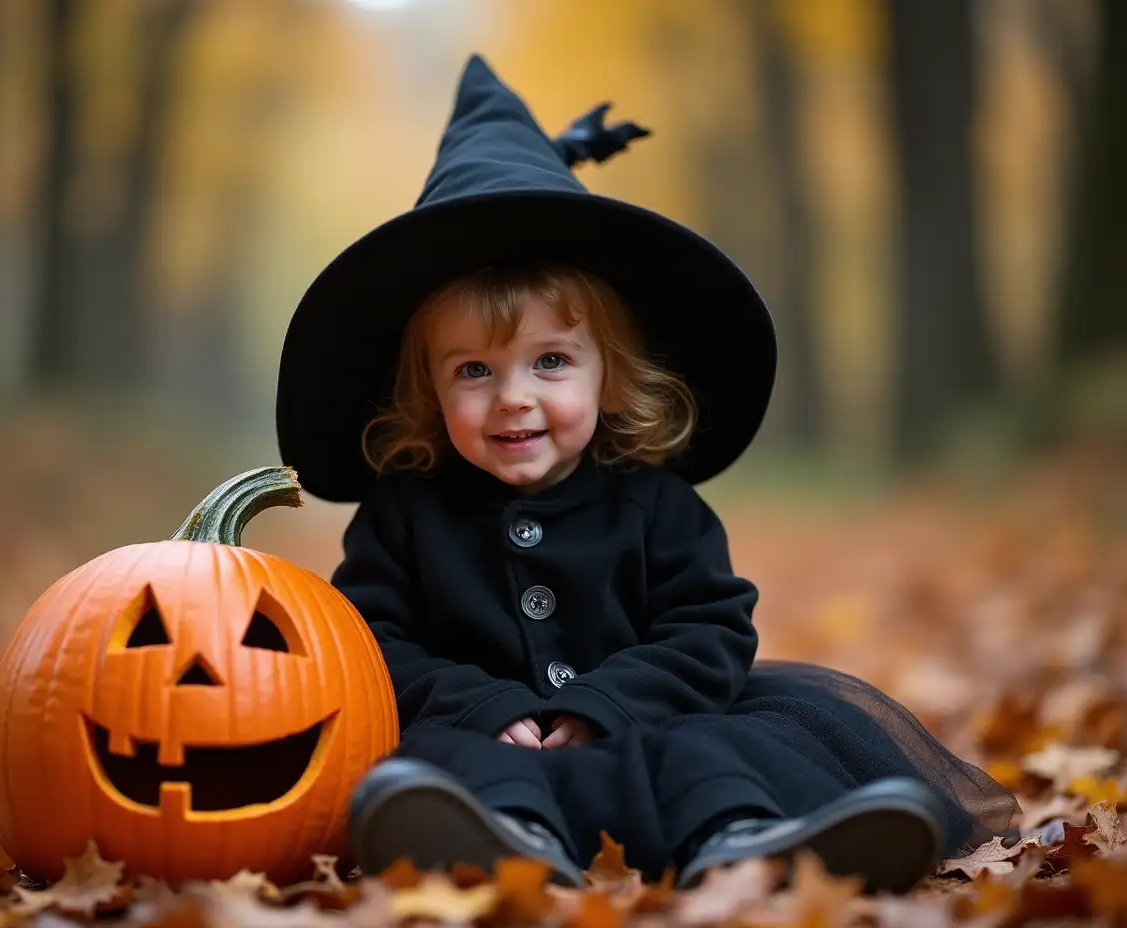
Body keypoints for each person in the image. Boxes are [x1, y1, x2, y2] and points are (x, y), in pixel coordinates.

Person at [274, 54, 1020, 892]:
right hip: (485, 745)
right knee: (432, 759)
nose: (512, 400)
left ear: (609, 374)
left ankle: (745, 835)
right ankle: (500, 839)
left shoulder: (653, 501)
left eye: (549, 362)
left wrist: (612, 704)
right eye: (473, 372)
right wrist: (481, 705)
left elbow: (710, 629)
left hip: (641, 740)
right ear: (428, 391)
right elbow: (371, 647)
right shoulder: (405, 512)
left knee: (717, 742)